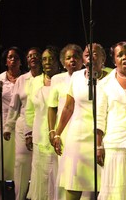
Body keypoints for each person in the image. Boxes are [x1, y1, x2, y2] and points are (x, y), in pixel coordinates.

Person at [53, 43, 108, 200]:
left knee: (100, 182)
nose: (91, 56)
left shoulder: (110, 78)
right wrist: (57, 133)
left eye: (96, 53)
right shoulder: (76, 77)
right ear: (83, 59)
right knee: (74, 180)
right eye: (87, 54)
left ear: (103, 58)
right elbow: (68, 108)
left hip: (100, 136)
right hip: (77, 136)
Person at [97, 41, 126, 199]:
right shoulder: (104, 84)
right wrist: (98, 145)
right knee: (116, 191)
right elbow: (100, 118)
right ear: (114, 60)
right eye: (120, 55)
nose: (125, 58)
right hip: (115, 144)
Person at [3, 47, 42, 200]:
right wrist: (8, 126)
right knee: (21, 163)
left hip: (41, 124)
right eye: (29, 55)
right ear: (26, 60)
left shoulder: (47, 78)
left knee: (38, 164)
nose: (33, 57)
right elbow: (14, 106)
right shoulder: (22, 79)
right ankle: (19, 197)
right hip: (22, 124)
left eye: (36, 55)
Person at [47, 43, 83, 200]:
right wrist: (52, 130)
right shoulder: (57, 79)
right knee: (65, 172)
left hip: (81, 131)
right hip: (63, 131)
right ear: (62, 62)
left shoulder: (87, 78)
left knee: (80, 173)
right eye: (68, 58)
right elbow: (52, 107)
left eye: (76, 57)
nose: (72, 60)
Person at [24, 46, 61, 200]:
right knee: (40, 175)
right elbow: (29, 109)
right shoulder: (35, 82)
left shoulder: (62, 80)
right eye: (44, 59)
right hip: (39, 135)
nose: (47, 62)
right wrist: (29, 132)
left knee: (56, 173)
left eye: (51, 59)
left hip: (58, 134)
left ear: (58, 62)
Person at [0, 46, 24, 181]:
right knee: (2, 158)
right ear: (6, 61)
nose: (13, 60)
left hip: (20, 123)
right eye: (10, 57)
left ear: (21, 61)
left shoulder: (25, 78)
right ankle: (0, 190)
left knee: (19, 158)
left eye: (16, 57)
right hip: (2, 124)